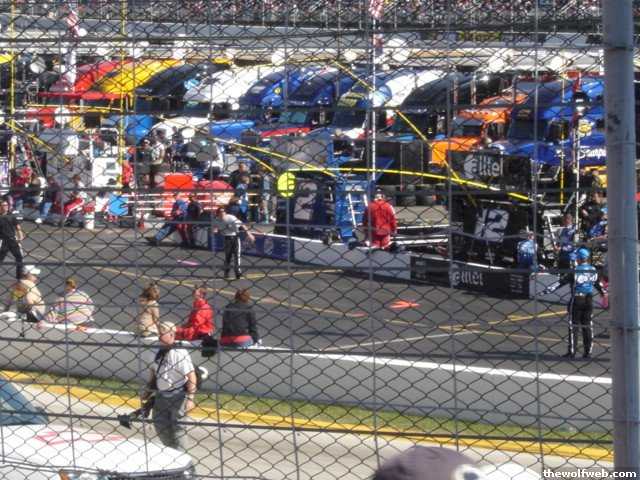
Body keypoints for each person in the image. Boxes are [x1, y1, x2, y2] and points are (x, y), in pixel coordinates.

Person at [542, 247, 608, 359]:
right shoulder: (593, 270)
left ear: (579, 258)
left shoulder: (575, 271)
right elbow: (598, 285)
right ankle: (588, 352)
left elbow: (560, 283)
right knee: (588, 325)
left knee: (574, 325)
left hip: (577, 298)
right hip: (589, 298)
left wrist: (546, 291)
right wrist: (603, 293)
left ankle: (572, 351)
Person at [141, 321, 197, 450]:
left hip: (179, 396)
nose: (159, 336)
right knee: (160, 426)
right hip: (161, 396)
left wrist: (190, 399)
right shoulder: (154, 351)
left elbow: (191, 376)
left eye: (163, 333)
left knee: (178, 430)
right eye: (158, 333)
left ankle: (181, 456)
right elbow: (153, 375)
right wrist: (147, 392)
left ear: (172, 335)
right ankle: (172, 452)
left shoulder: (179, 353)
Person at [212, 207, 255, 279]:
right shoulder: (217, 220)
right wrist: (215, 230)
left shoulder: (231, 218)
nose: (222, 213)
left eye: (223, 212)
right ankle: (226, 272)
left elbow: (242, 224)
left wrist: (249, 234)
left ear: (225, 212)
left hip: (235, 237)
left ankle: (238, 272)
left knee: (237, 255)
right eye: (220, 212)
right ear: (218, 214)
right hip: (226, 238)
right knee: (228, 256)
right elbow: (215, 228)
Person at [0, 198, 25, 279]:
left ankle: (19, 276)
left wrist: (20, 236)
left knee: (19, 257)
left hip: (12, 240)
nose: (6, 207)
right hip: (2, 241)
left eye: (6, 205)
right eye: (3, 205)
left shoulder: (11, 216)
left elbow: (18, 227)